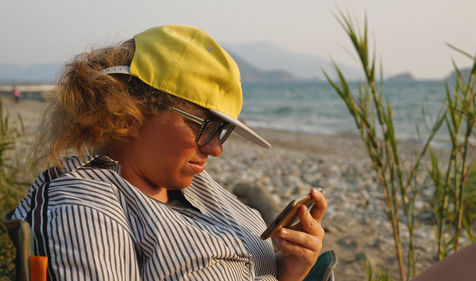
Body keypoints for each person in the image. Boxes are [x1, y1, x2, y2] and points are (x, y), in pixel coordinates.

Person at [4, 25, 327, 281]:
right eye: (207, 126)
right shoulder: (85, 202)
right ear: (130, 112)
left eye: (223, 132)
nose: (215, 149)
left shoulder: (193, 185)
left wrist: (289, 269)